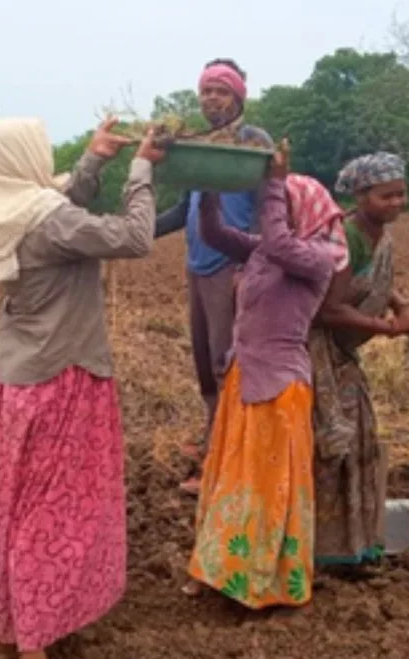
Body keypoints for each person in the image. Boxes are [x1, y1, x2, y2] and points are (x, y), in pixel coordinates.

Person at [0, 117, 166, 659]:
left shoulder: (9, 213)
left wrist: (95, 159)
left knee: (20, 510)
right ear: (21, 162)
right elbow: (135, 237)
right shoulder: (47, 221)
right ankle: (32, 650)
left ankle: (14, 631)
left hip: (24, 381)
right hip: (62, 383)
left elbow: (58, 198)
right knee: (51, 520)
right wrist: (142, 169)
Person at [183, 148, 337, 609]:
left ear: (304, 211)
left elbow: (277, 239)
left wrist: (273, 181)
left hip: (278, 389)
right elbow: (213, 233)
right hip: (244, 381)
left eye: (285, 205)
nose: (274, 213)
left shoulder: (315, 258)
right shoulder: (265, 252)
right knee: (231, 481)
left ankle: (261, 583)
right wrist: (205, 185)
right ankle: (222, 571)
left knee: (263, 488)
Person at [153, 58, 274, 494]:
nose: (211, 99)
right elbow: (184, 209)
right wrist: (127, 231)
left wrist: (252, 265)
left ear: (238, 96)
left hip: (232, 267)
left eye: (221, 91)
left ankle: (227, 465)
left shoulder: (252, 142)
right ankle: (214, 439)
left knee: (229, 363)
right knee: (205, 362)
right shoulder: (199, 144)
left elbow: (270, 204)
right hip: (198, 267)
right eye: (206, 91)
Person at [307, 151, 409, 570]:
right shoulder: (346, 237)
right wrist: (387, 327)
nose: (396, 203)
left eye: (401, 194)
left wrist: (402, 302)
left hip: (346, 351)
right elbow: (328, 310)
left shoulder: (380, 236)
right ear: (360, 195)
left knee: (359, 442)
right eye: (386, 196)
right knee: (330, 445)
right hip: (320, 351)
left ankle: (350, 543)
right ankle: (319, 548)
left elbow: (380, 278)